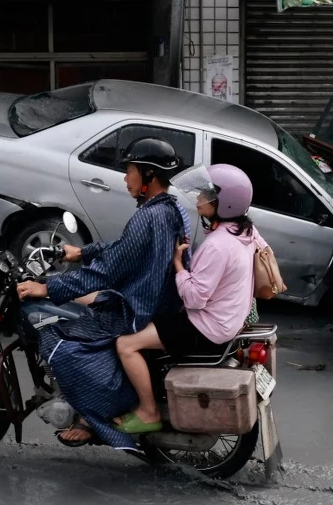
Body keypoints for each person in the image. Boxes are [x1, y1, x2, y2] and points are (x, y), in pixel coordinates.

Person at [15, 137, 192, 451]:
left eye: (131, 171)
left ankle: (90, 417)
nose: (126, 178)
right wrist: (83, 252)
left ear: (149, 176)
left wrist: (48, 287)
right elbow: (124, 251)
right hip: (160, 301)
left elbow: (108, 270)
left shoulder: (147, 217)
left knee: (62, 340)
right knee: (84, 308)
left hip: (138, 309)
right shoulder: (171, 210)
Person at [114, 164, 266, 434]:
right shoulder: (246, 233)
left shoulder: (218, 244)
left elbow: (195, 298)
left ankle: (148, 412)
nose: (198, 199)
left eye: (206, 195)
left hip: (206, 329)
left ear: (225, 204)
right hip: (228, 321)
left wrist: (178, 266)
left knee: (126, 344)